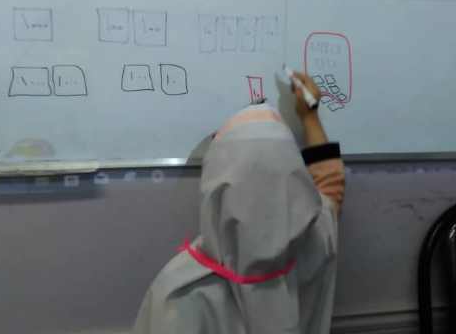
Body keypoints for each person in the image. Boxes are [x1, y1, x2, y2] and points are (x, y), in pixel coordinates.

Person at [132, 73, 346, 334]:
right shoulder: (313, 247)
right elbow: (331, 186)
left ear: (215, 186)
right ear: (296, 183)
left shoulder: (180, 292)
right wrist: (310, 116)